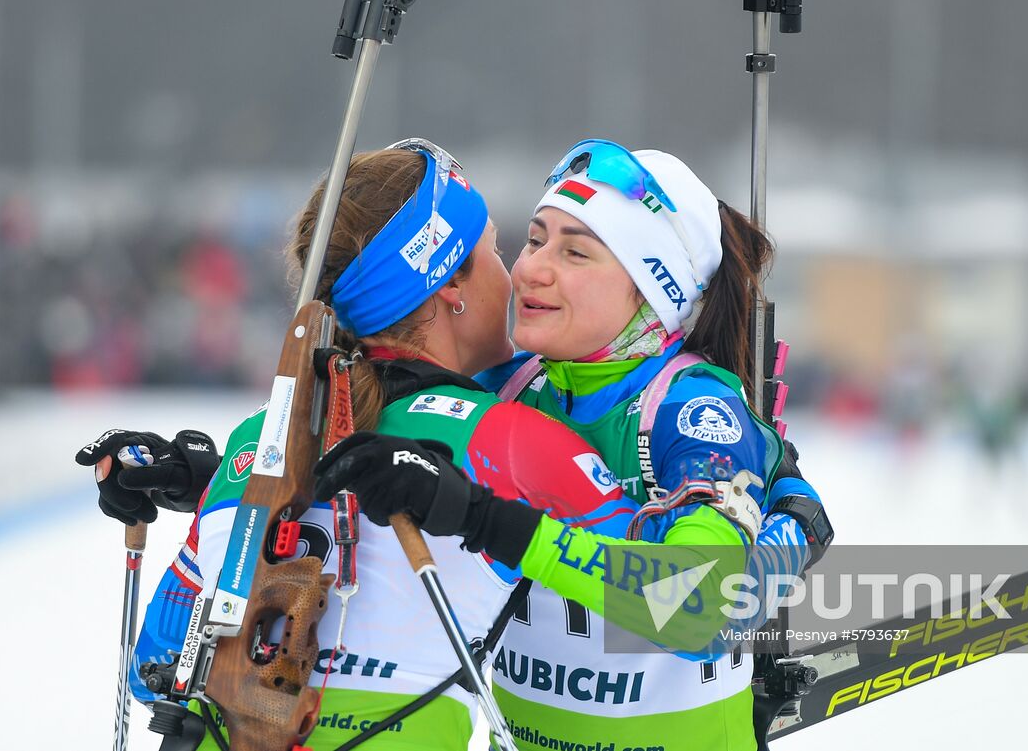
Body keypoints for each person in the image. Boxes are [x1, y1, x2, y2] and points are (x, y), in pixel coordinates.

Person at [78, 140, 645, 751]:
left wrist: (215, 488)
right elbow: (692, 605)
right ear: (452, 280)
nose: (515, 278)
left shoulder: (262, 439)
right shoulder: (508, 440)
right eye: (497, 253)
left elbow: (156, 662)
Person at [316, 139, 831, 750]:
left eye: (576, 252)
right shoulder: (507, 389)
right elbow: (379, 489)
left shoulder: (689, 411)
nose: (532, 268)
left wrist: (494, 522)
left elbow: (702, 605)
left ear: (649, 292)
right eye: (534, 240)